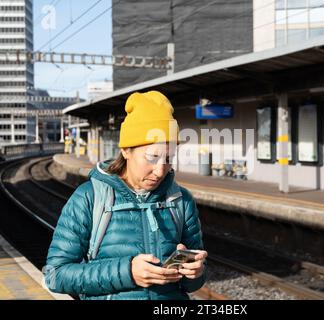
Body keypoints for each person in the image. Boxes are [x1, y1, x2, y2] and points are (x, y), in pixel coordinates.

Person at [44, 91, 207, 300]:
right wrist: (128, 272)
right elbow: (56, 275)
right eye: (152, 157)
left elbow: (193, 284)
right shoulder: (89, 198)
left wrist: (196, 272)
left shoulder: (181, 200)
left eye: (169, 158)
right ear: (126, 151)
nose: (160, 170)